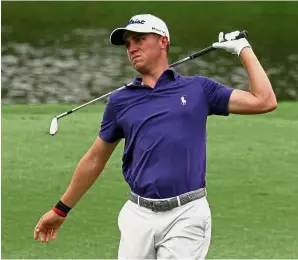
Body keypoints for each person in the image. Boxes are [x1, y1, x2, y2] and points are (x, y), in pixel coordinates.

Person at [33, 14, 277, 259]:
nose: (132, 48)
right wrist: (61, 209)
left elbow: (264, 101)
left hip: (187, 213)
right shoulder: (120, 100)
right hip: (137, 215)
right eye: (128, 43)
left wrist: (243, 49)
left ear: (163, 42)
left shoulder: (198, 89)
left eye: (139, 39)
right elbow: (95, 158)